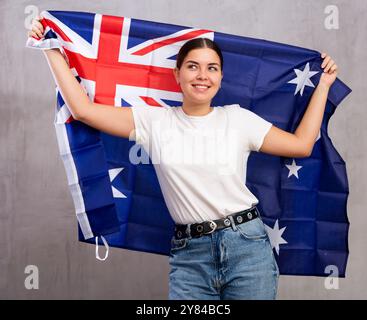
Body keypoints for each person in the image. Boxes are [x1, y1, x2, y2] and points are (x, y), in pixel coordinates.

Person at [28, 16, 338, 300]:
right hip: (191, 256)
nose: (202, 76)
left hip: (247, 248)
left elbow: (301, 145)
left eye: (211, 68)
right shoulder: (155, 121)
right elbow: (84, 111)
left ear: (220, 77)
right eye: (193, 66)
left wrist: (322, 85)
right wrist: (50, 48)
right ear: (177, 74)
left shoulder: (238, 119)